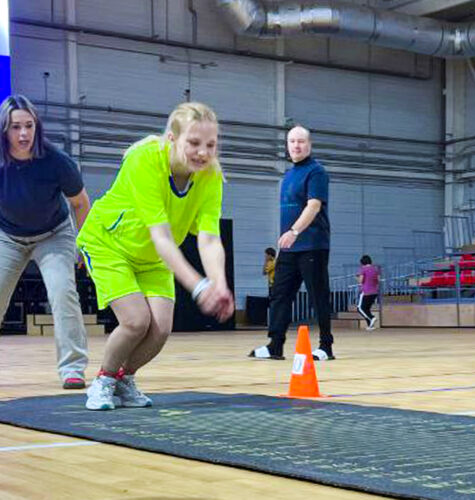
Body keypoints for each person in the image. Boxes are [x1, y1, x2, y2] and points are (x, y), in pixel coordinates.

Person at [77, 102, 234, 410]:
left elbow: (210, 238)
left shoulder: (210, 176)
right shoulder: (145, 160)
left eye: (210, 145)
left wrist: (219, 284)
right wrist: (199, 286)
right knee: (136, 321)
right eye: (194, 143)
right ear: (172, 139)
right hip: (110, 244)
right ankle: (103, 380)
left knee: (160, 328)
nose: (203, 153)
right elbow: (160, 236)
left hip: (153, 258)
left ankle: (125, 378)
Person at [0, 94, 90, 389]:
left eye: (29, 125)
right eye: (15, 127)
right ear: (4, 130)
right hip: (9, 237)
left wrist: (82, 244)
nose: (23, 134)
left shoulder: (56, 161)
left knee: (63, 292)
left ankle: (73, 368)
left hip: (54, 234)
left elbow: (80, 203)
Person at [249, 125, 333, 361]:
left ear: (309, 145)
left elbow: (314, 205)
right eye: (292, 141)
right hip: (290, 247)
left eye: (301, 141)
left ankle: (326, 346)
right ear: (287, 145)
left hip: (312, 244)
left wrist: (294, 231)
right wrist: (289, 236)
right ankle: (275, 345)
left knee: (318, 295)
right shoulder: (288, 175)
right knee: (280, 294)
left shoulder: (316, 172)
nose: (296, 145)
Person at [356, 255, 380, 330]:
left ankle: (371, 318)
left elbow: (360, 281)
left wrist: (356, 277)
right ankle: (370, 325)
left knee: (360, 308)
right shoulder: (375, 269)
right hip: (374, 292)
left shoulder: (363, 269)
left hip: (365, 292)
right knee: (366, 309)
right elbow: (377, 281)